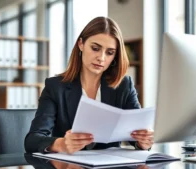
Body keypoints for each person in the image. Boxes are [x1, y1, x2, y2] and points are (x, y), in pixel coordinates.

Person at [25, 16, 154, 154]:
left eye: (109, 52)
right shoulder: (55, 87)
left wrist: (143, 141)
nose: (101, 58)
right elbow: (32, 140)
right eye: (95, 48)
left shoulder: (124, 86)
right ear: (81, 44)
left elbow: (136, 135)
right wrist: (61, 144)